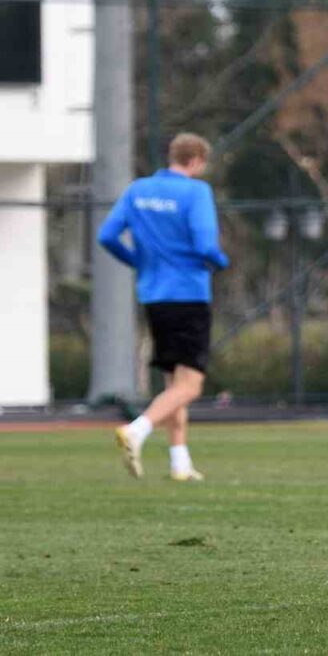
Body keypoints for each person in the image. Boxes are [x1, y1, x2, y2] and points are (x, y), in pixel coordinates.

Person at [98, 132, 229, 481]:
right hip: (188, 294)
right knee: (191, 386)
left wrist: (137, 262)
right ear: (197, 160)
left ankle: (179, 462)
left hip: (154, 296)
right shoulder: (196, 192)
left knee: (174, 384)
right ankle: (136, 430)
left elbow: (107, 236)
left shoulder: (137, 190)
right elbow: (205, 245)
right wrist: (221, 261)